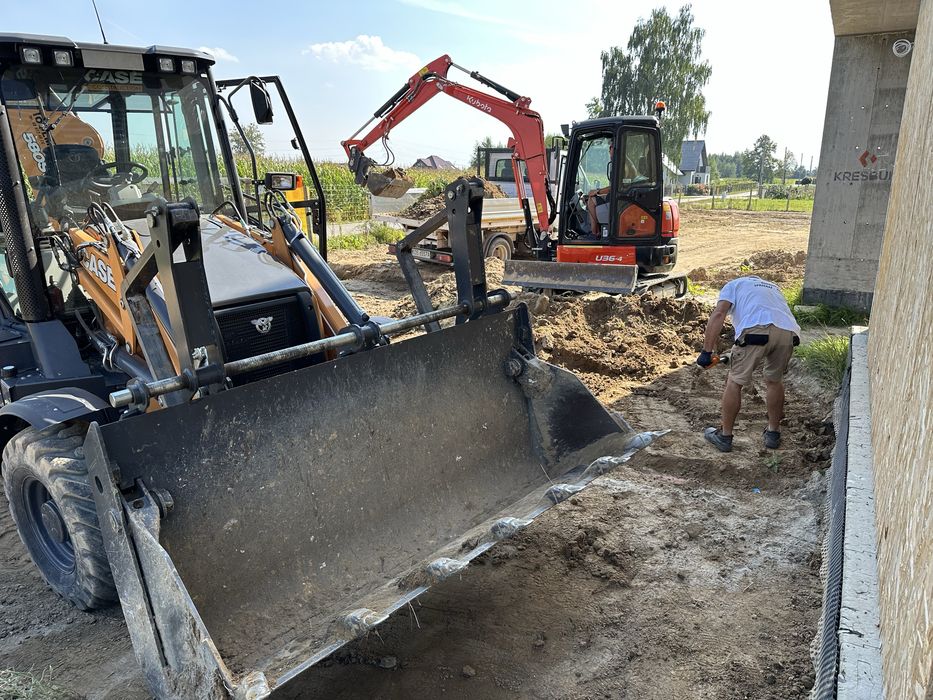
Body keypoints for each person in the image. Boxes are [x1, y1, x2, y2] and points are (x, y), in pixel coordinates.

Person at [696, 275, 801, 452]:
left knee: (734, 382)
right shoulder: (772, 287)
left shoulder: (732, 285)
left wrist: (707, 352)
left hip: (756, 331)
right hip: (788, 332)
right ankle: (773, 433)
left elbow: (719, 313)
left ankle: (725, 436)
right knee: (774, 381)